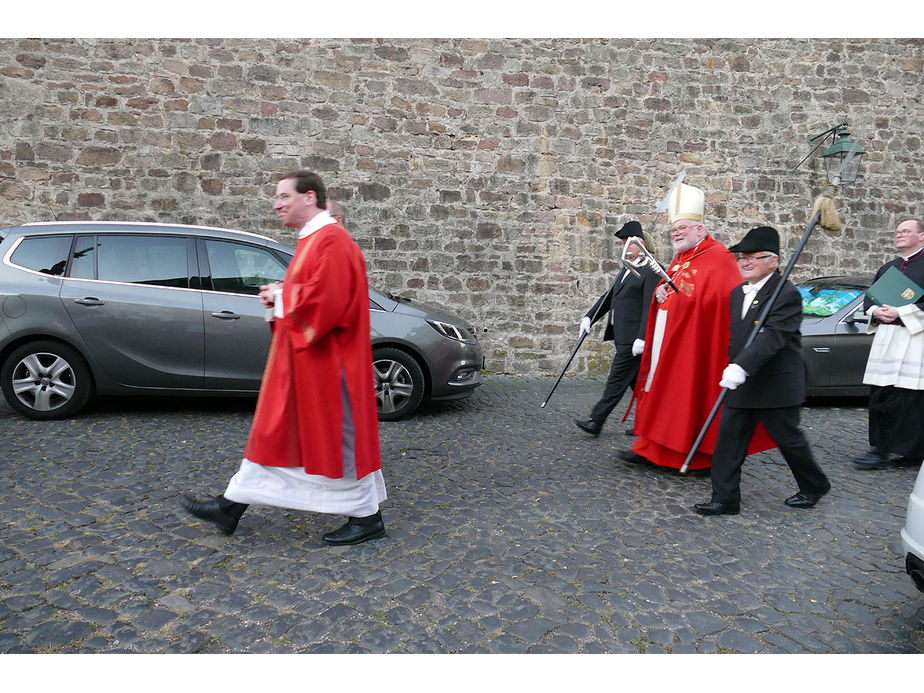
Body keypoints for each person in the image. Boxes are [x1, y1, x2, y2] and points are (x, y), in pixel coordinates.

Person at [181, 171, 387, 545]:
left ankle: (366, 517)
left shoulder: (333, 241)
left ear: (309, 197)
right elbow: (313, 292)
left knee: (334, 441)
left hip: (329, 366)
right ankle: (230, 505)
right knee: (277, 433)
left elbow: (329, 302)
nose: (276, 204)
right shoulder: (314, 240)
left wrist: (283, 298)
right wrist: (283, 291)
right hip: (306, 364)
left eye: (283, 197)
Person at [620, 182, 774, 471]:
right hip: (669, 343)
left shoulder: (719, 258)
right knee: (661, 393)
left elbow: (723, 299)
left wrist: (686, 299)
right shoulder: (680, 258)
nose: (676, 233)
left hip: (696, 346)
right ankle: (651, 448)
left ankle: (694, 456)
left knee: (688, 398)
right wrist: (660, 294)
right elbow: (667, 292)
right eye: (674, 229)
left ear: (701, 229)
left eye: (683, 228)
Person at [693, 226, 831, 515]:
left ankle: (814, 484)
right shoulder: (736, 293)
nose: (745, 262)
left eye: (754, 257)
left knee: (789, 440)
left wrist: (741, 366)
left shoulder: (787, 294)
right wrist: (733, 366)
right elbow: (738, 337)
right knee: (729, 441)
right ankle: (725, 498)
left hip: (775, 384)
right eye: (742, 257)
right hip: (741, 381)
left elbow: (774, 337)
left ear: (774, 261)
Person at [574, 221, 659, 437]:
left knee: (616, 381)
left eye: (627, 243)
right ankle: (652, 424)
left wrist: (642, 337)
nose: (624, 247)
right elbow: (609, 297)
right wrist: (589, 317)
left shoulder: (651, 270)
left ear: (640, 243)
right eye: (622, 243)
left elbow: (651, 305)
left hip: (633, 342)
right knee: (636, 386)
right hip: (621, 337)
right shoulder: (627, 268)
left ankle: (596, 420)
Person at [853, 218, 924, 469]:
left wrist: (901, 312)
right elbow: (868, 302)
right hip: (886, 339)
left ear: (921, 236)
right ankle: (880, 447)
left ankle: (912, 452)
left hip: (914, 339)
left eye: (906, 231)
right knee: (881, 393)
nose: (900, 235)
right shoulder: (887, 268)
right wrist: (875, 312)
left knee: (909, 398)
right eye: (897, 232)